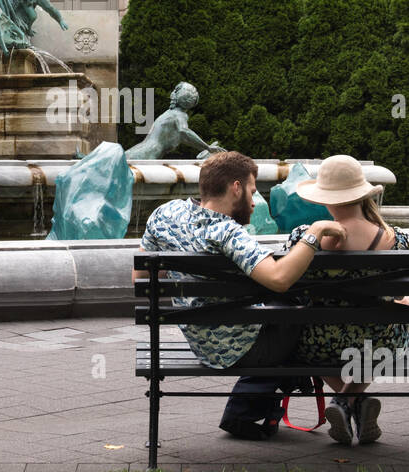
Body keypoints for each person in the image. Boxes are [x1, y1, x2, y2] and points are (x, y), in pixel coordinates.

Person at [133, 151, 346, 438]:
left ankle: (344, 399)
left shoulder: (165, 214)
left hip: (199, 341)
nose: (254, 200)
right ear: (235, 188)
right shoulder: (227, 233)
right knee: (304, 312)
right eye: (252, 191)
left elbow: (140, 276)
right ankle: (349, 398)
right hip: (238, 350)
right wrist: (315, 232)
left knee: (289, 309)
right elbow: (280, 278)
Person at [280, 154, 409, 446]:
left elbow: (290, 288)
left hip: (317, 344)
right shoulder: (397, 241)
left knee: (308, 336)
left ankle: (345, 401)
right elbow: (398, 294)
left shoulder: (302, 239)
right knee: (389, 327)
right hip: (379, 344)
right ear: (362, 194)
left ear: (324, 198)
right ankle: (351, 401)